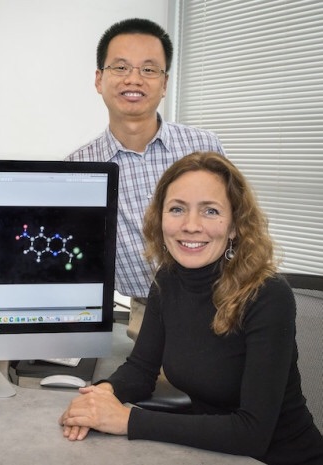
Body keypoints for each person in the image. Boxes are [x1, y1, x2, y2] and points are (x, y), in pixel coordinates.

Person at [59, 152, 323, 464]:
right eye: (177, 209)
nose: (191, 225)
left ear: (236, 225)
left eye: (210, 211)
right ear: (160, 218)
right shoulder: (168, 278)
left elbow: (252, 432)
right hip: (211, 453)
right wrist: (103, 396)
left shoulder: (267, 295)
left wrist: (126, 420)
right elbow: (141, 370)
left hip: (282, 458)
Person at [66, 18, 225, 340]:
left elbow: (241, 227)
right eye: (120, 68)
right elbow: (76, 259)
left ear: (165, 83)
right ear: (99, 79)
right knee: (139, 388)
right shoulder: (78, 167)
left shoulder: (203, 147)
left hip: (216, 305)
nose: (134, 79)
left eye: (149, 70)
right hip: (141, 314)